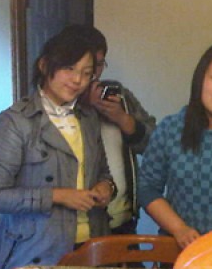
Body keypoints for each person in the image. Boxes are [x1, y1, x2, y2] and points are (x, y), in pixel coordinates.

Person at [0, 30, 114, 269]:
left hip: (92, 246)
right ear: (45, 66)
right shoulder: (16, 121)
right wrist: (57, 195)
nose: (78, 80)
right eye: (69, 69)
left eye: (86, 73)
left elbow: (103, 173)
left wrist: (106, 187)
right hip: (35, 251)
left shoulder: (88, 118)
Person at [138, 43, 212, 249]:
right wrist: (179, 229)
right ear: (201, 79)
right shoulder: (171, 129)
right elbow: (147, 188)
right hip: (177, 249)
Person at [62, 25, 156, 235]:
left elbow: (155, 145)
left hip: (123, 219)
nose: (93, 72)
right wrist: (83, 104)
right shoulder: (57, 102)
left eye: (99, 63)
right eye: (88, 64)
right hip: (75, 225)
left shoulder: (118, 95)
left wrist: (124, 120)